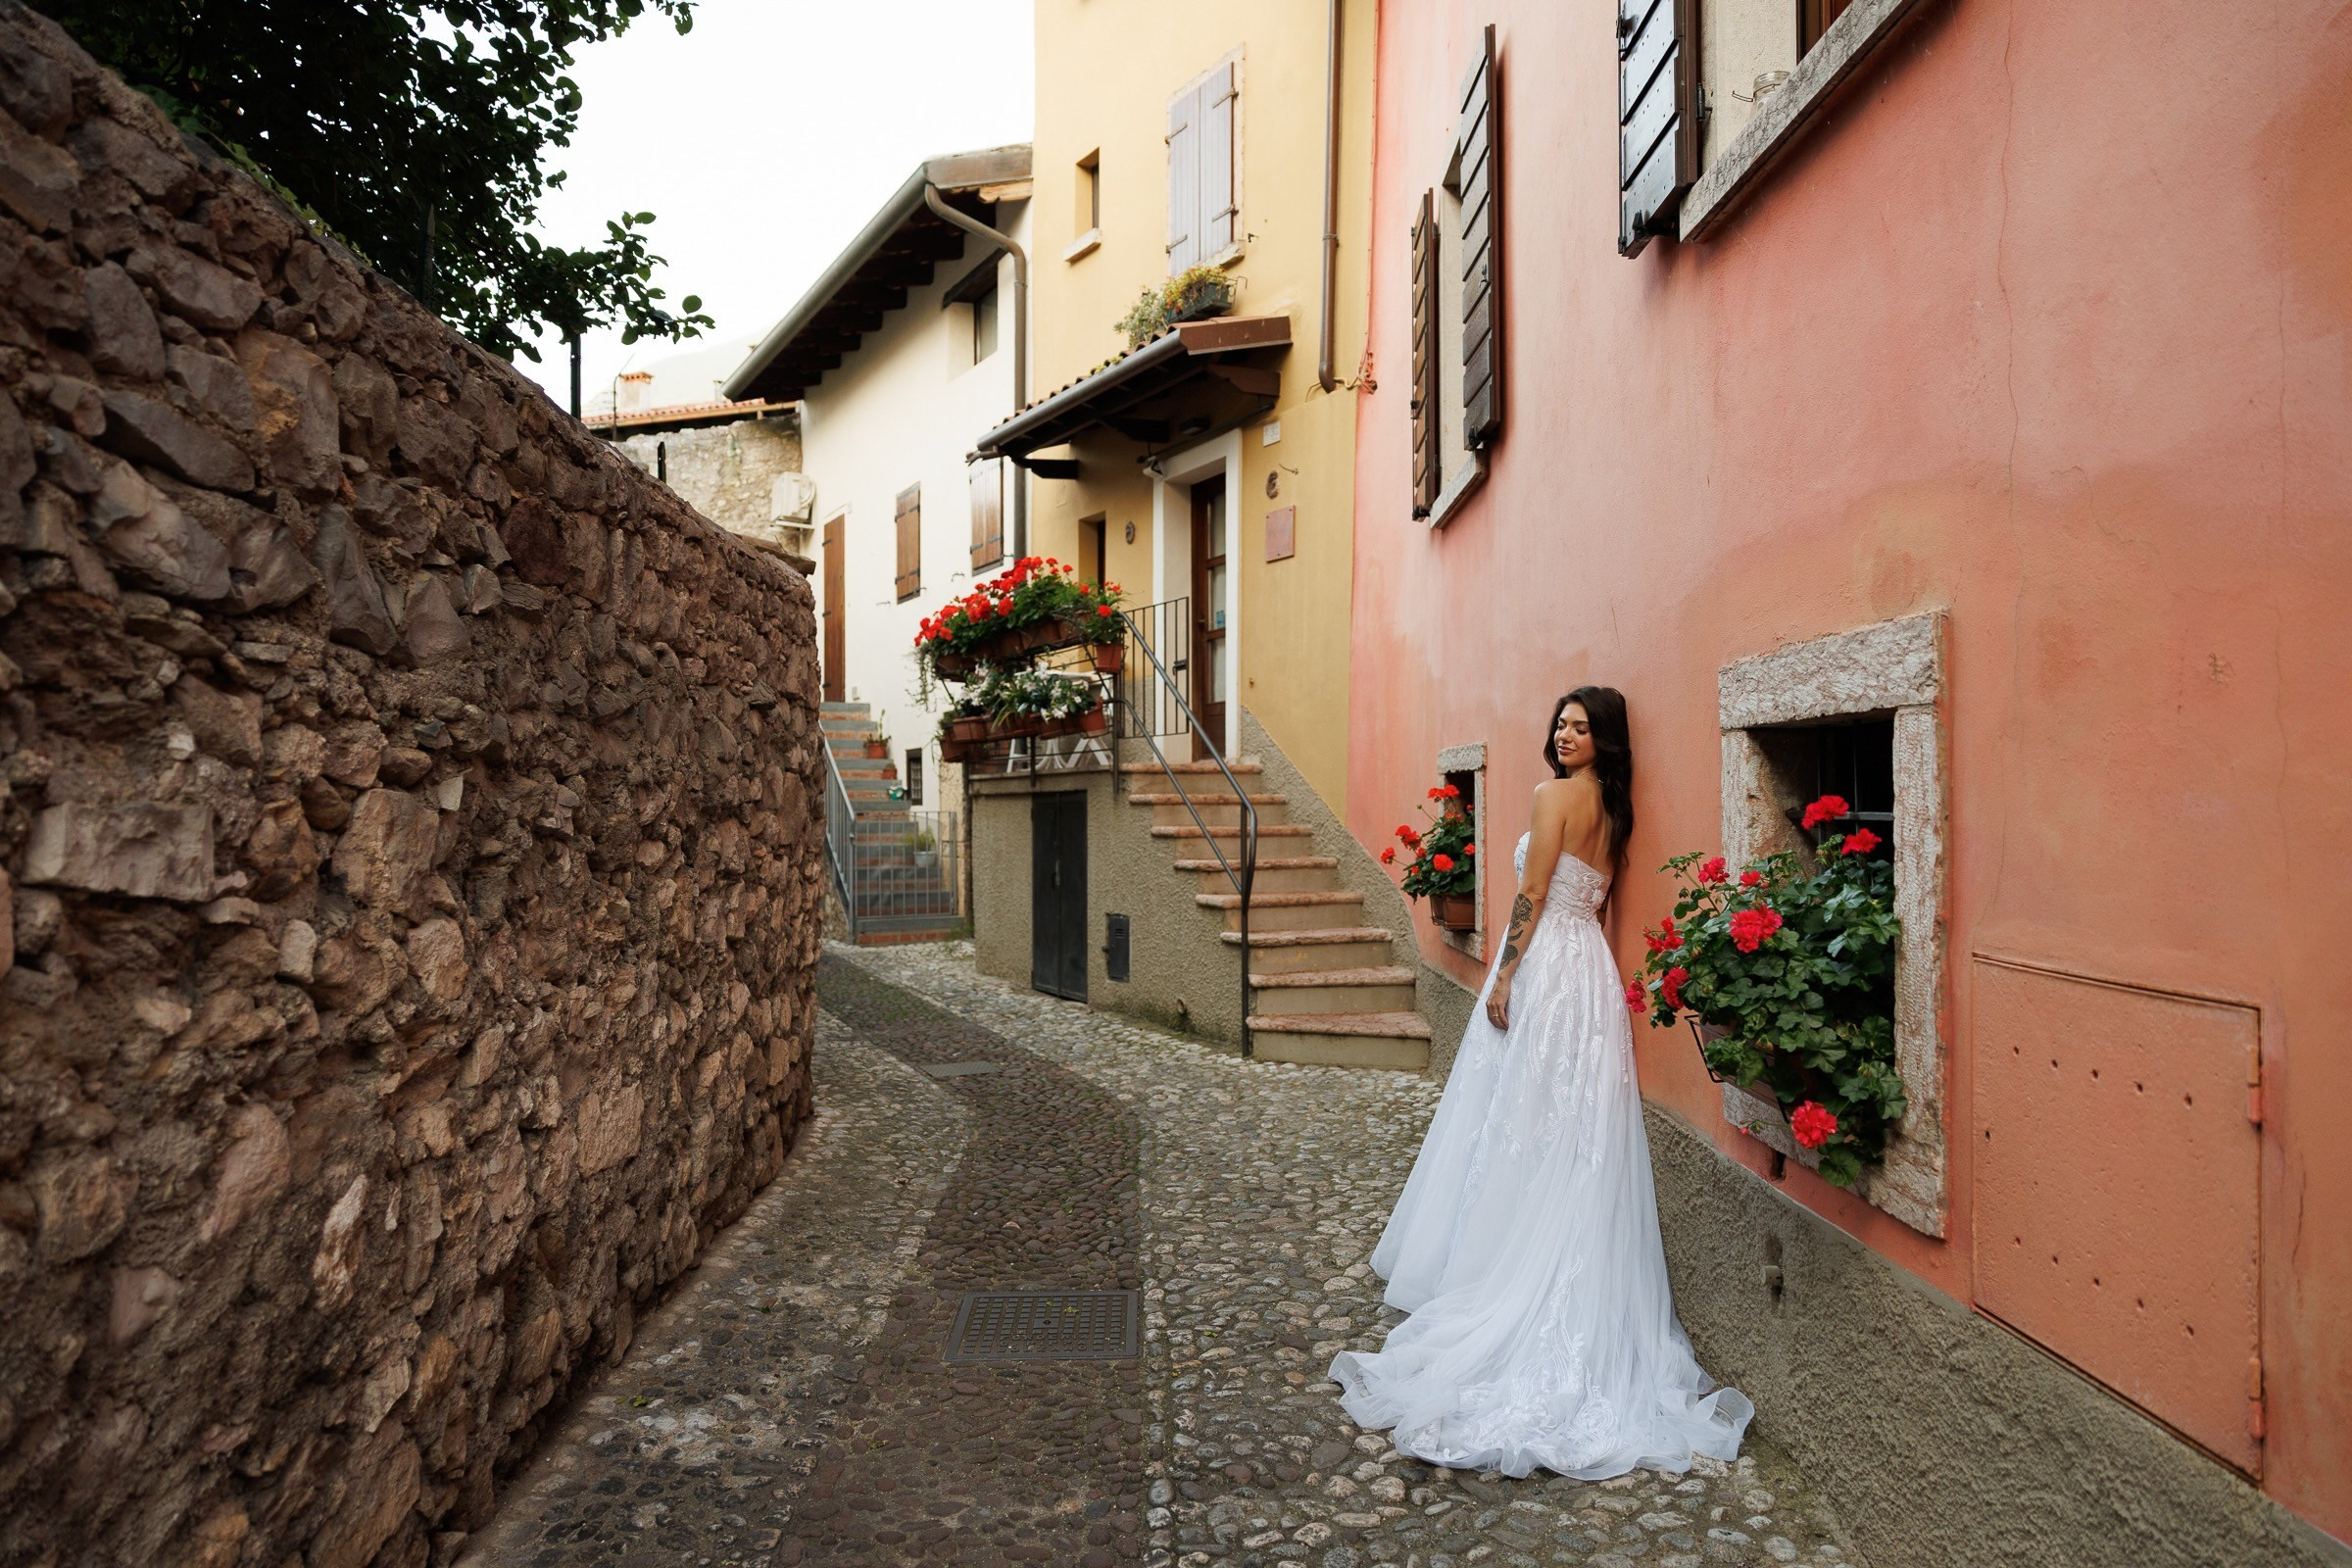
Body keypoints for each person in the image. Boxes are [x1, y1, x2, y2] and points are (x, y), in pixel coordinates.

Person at [1330, 687, 1752, 1478]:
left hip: (1549, 964)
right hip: (1590, 970)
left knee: (1519, 1115)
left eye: (1580, 728)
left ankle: (1500, 1267)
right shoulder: (1615, 810)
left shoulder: (1552, 796)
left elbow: (1531, 892)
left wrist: (1504, 974)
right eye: (1561, 723)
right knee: (1573, 1127)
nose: (1564, 735)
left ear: (1603, 739)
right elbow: (1595, 898)